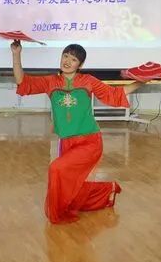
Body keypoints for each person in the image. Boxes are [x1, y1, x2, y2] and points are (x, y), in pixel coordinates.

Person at [12, 41, 143, 224]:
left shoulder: (88, 81)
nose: (67, 61)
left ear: (80, 65)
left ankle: (59, 214)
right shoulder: (51, 82)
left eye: (73, 59)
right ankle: (107, 190)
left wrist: (141, 81)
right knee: (70, 187)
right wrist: (16, 54)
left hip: (89, 142)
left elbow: (115, 94)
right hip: (66, 142)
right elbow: (23, 83)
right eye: (65, 56)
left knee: (56, 168)